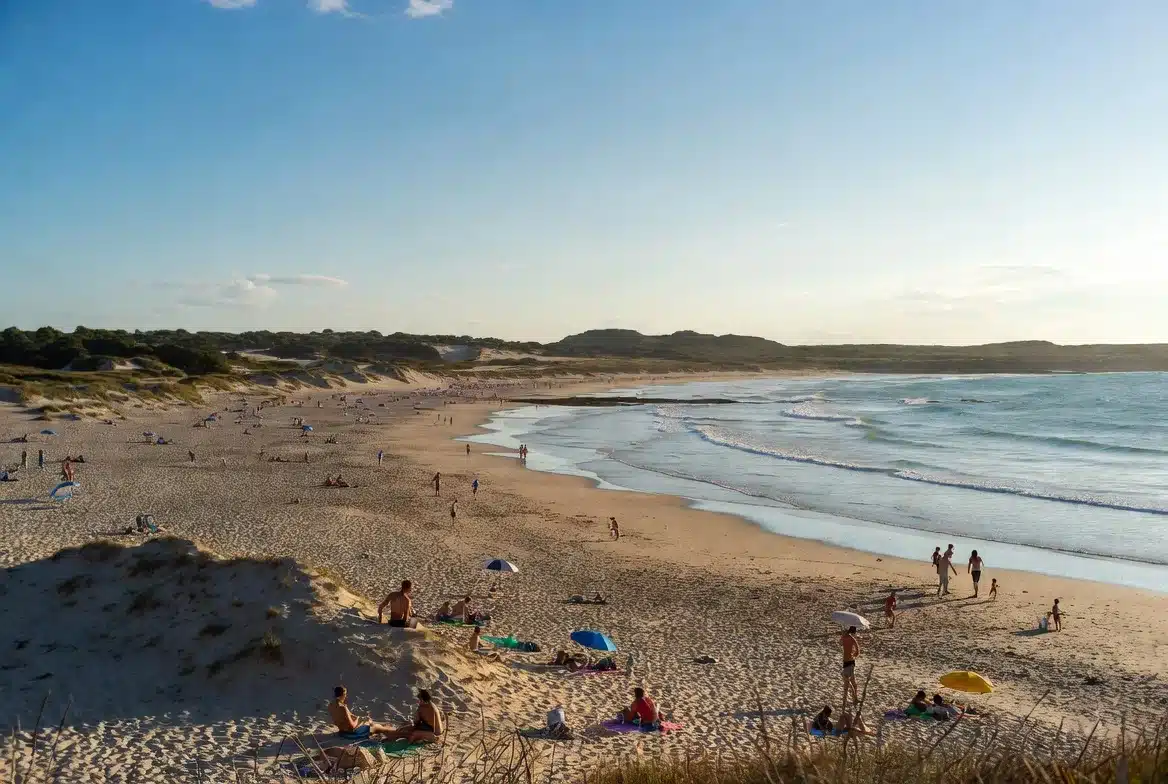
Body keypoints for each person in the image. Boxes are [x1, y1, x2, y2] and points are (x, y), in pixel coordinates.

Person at [328, 686, 395, 739]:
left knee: (367, 720)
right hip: (351, 734)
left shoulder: (331, 705)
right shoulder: (342, 707)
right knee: (376, 727)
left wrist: (358, 717)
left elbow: (347, 715)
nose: (346, 696)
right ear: (343, 694)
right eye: (345, 694)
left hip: (342, 732)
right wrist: (358, 720)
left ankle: (381, 728)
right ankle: (393, 732)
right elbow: (352, 727)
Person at [840, 626, 860, 707]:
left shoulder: (844, 638)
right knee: (852, 682)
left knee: (847, 684)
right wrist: (854, 654)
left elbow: (840, 643)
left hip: (846, 662)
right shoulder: (852, 638)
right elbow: (858, 650)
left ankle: (851, 700)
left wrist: (842, 636)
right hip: (851, 662)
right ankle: (855, 698)